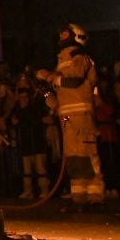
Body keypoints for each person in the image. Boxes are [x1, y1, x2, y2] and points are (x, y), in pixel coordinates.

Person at [37, 23, 106, 208]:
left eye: (66, 34)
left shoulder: (80, 57)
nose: (62, 37)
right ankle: (79, 198)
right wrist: (47, 94)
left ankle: (95, 197)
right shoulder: (63, 60)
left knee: (88, 156)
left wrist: (49, 77)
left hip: (82, 117)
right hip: (68, 118)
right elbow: (63, 91)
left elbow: (73, 81)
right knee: (74, 159)